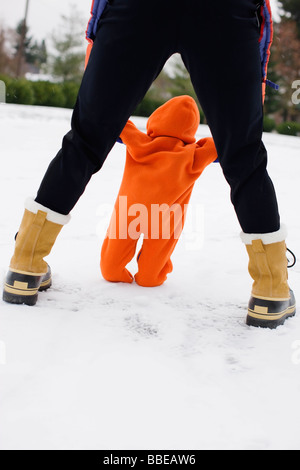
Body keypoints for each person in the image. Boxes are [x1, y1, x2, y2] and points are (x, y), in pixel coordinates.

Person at [2, 0, 296, 329]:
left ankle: (26, 262)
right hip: (222, 11)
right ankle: (271, 287)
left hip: (138, 8)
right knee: (244, 154)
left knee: (85, 139)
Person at [100, 95, 218, 287]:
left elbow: (116, 121)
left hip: (130, 211)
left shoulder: (139, 142)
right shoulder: (195, 154)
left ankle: (115, 272)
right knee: (151, 277)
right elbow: (222, 144)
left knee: (110, 268)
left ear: (157, 118)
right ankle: (148, 277)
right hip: (167, 217)